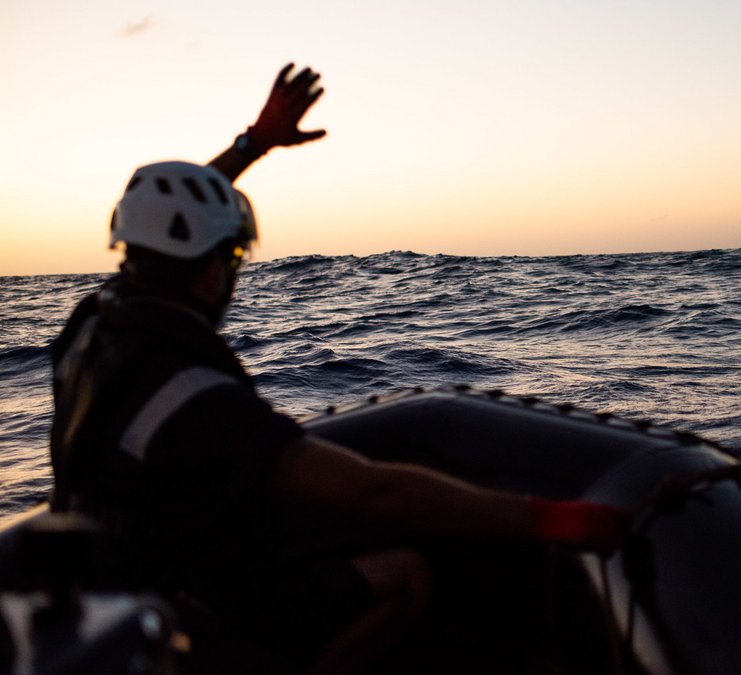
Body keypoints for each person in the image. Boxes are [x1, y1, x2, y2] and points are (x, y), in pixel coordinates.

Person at [48, 63, 629, 674]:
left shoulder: (96, 319)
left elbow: (168, 229)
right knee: (406, 574)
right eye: (233, 258)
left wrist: (254, 145)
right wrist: (554, 518)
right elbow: (374, 490)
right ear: (210, 270)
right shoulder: (190, 397)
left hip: (117, 569)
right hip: (183, 602)